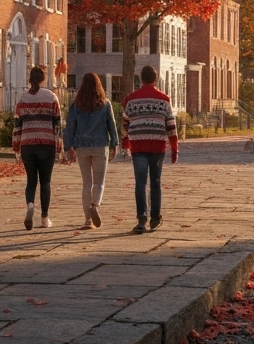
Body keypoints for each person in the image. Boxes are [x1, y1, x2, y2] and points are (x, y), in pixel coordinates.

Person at [121, 65, 177, 234]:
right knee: (156, 182)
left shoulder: (131, 99)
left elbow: (125, 123)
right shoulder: (164, 100)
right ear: (156, 79)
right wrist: (174, 148)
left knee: (140, 182)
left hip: (138, 145)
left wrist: (126, 141)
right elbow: (171, 126)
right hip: (157, 144)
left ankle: (141, 217)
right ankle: (155, 217)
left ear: (141, 79)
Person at [64, 72, 118, 229]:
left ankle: (88, 219)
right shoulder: (105, 104)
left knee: (86, 183)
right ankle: (95, 205)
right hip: (100, 145)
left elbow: (70, 127)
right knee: (99, 182)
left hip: (82, 146)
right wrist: (114, 144)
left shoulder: (76, 105)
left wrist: (69, 147)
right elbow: (112, 126)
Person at [13, 65, 62, 230]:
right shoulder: (51, 97)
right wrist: (59, 146)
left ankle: (30, 206)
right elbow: (57, 124)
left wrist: (16, 146)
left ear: (30, 79)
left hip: (27, 143)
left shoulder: (23, 99)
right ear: (42, 79)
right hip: (46, 143)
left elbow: (17, 125)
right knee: (45, 181)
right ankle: (44, 218)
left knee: (31, 181)